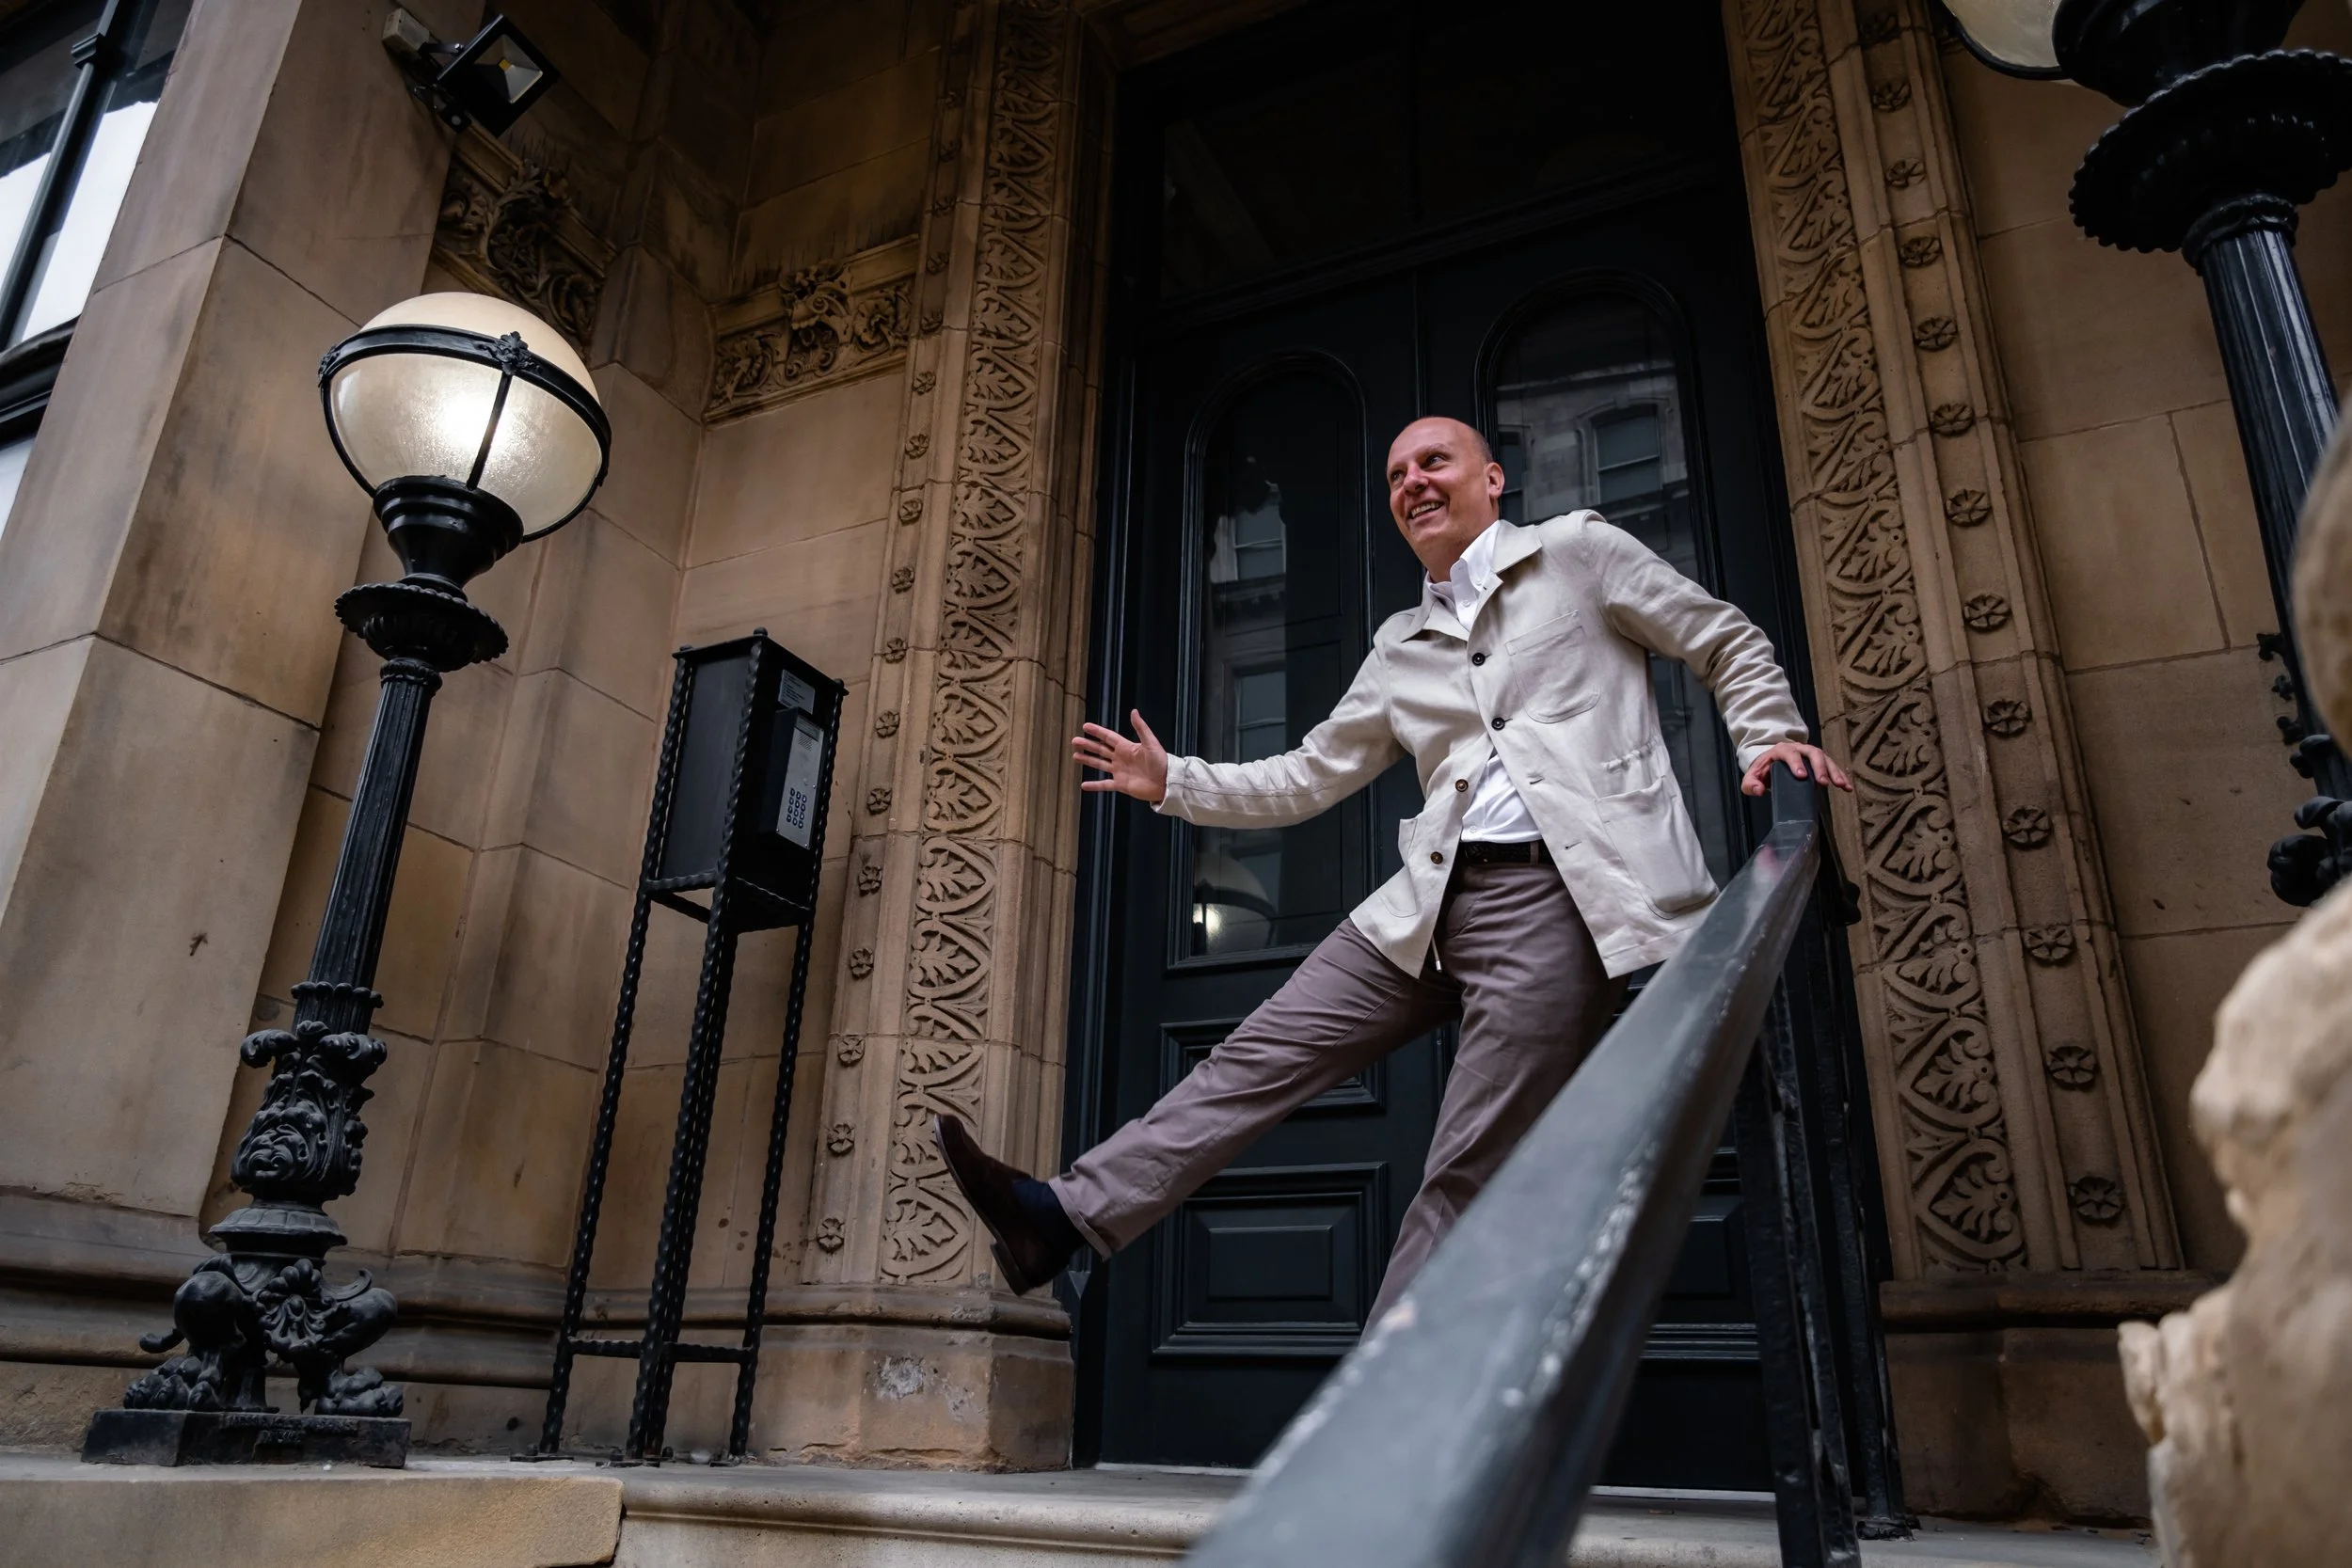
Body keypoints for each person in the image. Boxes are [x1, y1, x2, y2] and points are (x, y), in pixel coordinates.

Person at [934, 416, 1851, 1320]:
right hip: (1425, 904)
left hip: (1557, 902)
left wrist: (1771, 735)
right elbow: (1309, 772)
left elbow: (1721, 637)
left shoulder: (1576, 553)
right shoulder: (1399, 645)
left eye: (1433, 461)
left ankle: (1387, 1396)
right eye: (1396, 475)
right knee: (1252, 1058)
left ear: (1492, 477)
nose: (1412, 482)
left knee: (1465, 1167)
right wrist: (1174, 780)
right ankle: (1062, 1215)